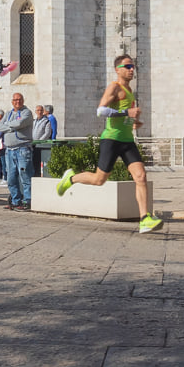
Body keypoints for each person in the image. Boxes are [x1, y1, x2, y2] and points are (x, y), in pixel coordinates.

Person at [57, 53, 163, 233]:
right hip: (111, 140)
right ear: (117, 70)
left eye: (133, 66)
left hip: (127, 140)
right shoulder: (114, 87)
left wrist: (133, 122)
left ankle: (144, 218)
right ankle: (71, 178)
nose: (131, 69)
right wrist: (126, 113)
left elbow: (124, 117)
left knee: (140, 176)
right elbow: (101, 111)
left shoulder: (130, 92)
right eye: (127, 66)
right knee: (99, 180)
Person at [0, 92, 35, 210]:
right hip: (9, 150)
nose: (17, 102)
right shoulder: (8, 114)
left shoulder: (27, 113)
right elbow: (0, 126)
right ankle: (15, 201)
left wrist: (8, 126)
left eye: (19, 99)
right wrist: (12, 127)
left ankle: (27, 201)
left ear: (23, 101)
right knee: (11, 177)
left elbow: (20, 123)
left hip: (22, 149)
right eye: (15, 100)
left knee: (25, 176)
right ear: (12, 101)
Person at [32, 105, 52, 177]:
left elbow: (47, 133)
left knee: (39, 160)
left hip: (41, 145)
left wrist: (40, 141)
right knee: (33, 160)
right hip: (33, 144)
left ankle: (38, 174)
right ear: (35, 111)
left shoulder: (46, 121)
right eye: (38, 110)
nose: (39, 112)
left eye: (41, 110)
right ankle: (34, 173)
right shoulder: (34, 121)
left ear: (43, 111)